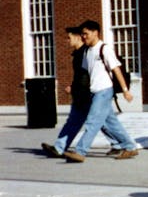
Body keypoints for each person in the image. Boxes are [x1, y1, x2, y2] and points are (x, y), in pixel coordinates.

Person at [63, 20, 139, 163]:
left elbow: (116, 70)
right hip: (94, 91)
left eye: (86, 33)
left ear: (95, 32)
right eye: (82, 34)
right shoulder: (87, 51)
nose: (83, 37)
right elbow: (85, 73)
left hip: (104, 90)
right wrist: (76, 88)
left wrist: (125, 91)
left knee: (92, 121)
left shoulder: (104, 49)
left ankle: (80, 151)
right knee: (110, 123)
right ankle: (129, 146)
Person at [41, 26, 105, 158]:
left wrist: (75, 88)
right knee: (79, 121)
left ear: (77, 37)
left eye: (69, 37)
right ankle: (59, 147)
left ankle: (124, 144)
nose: (67, 40)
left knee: (103, 122)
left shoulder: (84, 53)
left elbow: (86, 76)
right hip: (82, 93)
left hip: (88, 93)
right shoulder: (78, 53)